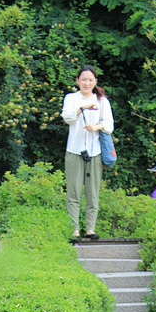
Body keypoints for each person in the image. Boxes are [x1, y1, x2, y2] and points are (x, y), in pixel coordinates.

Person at [61, 65, 114, 239]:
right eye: (83, 79)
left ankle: (90, 228)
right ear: (77, 81)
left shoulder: (102, 101)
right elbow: (67, 117)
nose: (87, 83)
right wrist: (82, 108)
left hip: (95, 152)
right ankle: (74, 228)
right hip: (74, 151)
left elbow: (109, 125)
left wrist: (96, 127)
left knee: (93, 192)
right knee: (73, 191)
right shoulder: (71, 98)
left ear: (95, 81)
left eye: (90, 79)